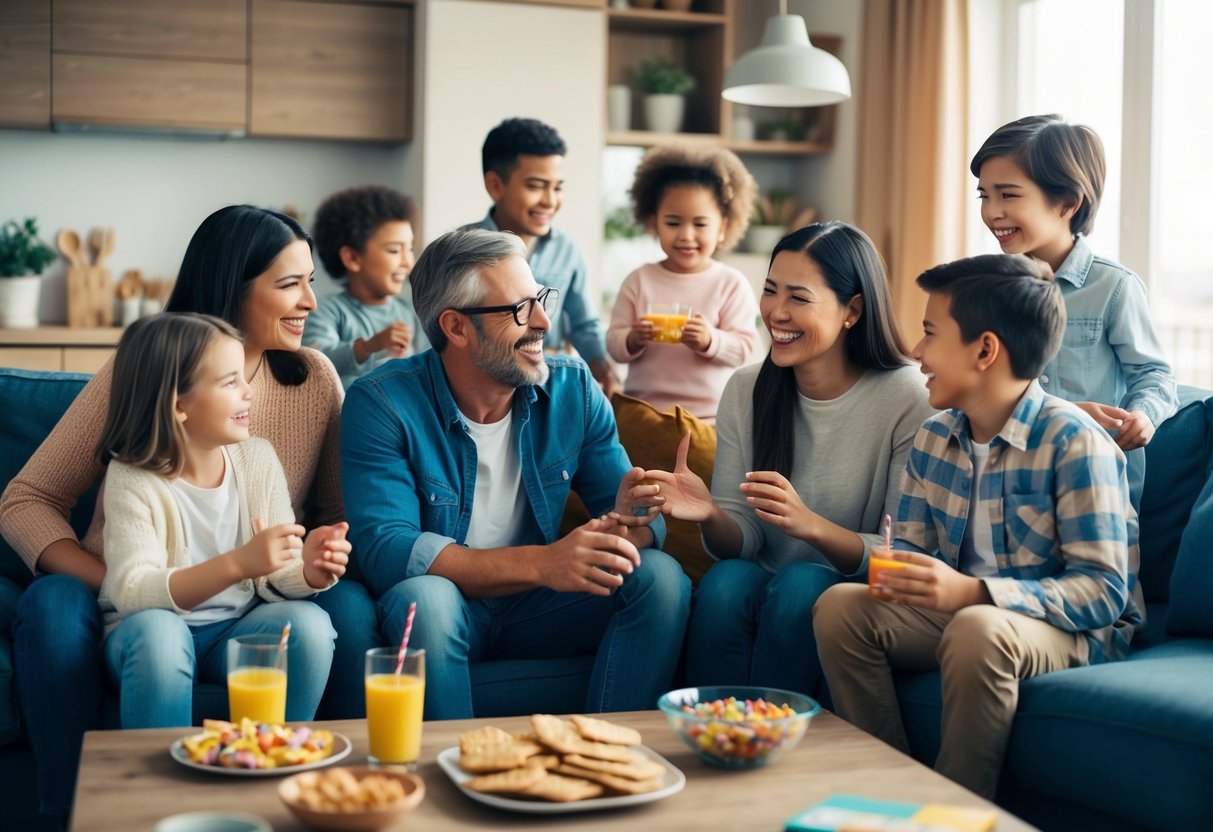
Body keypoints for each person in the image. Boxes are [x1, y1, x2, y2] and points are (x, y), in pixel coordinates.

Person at [0, 205, 344, 823]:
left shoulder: (312, 382)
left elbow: (323, 522)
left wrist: (316, 561)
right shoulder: (153, 374)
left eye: (311, 281)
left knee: (325, 620)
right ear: (232, 288)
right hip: (130, 590)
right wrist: (121, 586)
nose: (311, 303)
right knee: (58, 606)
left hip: (248, 603)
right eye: (290, 284)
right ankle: (74, 812)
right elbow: (25, 500)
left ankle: (266, 804)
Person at [813, 254, 1144, 799]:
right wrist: (899, 573)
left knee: (977, 627)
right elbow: (916, 557)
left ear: (985, 350)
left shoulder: (1076, 441)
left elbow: (1103, 592)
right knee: (840, 609)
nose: (916, 353)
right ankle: (888, 791)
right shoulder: (934, 436)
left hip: (1073, 631)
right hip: (969, 615)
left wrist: (974, 592)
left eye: (929, 334)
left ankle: (955, 812)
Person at [340, 228, 690, 720]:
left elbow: (636, 521)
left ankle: (616, 755)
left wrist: (632, 519)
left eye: (540, 298)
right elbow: (387, 548)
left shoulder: (573, 390)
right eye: (520, 309)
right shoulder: (381, 402)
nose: (544, 322)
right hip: (445, 610)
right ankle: (456, 773)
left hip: (538, 610)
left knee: (659, 578)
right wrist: (545, 563)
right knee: (429, 598)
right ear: (456, 328)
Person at [645, 223, 934, 696]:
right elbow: (741, 540)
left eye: (799, 298)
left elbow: (900, 550)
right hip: (758, 578)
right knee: (726, 581)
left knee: (802, 582)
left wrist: (810, 525)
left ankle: (776, 738)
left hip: (851, 588)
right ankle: (715, 732)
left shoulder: (909, 397)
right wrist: (713, 514)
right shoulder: (746, 387)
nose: (776, 313)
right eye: (770, 291)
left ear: (852, 311)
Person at [97, 313, 346, 728]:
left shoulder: (258, 459)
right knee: (163, 636)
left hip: (233, 633)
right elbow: (131, 590)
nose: (249, 392)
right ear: (180, 405)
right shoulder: (133, 477)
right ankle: (161, 791)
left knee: (311, 626)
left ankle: (273, 759)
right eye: (231, 382)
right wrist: (237, 564)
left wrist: (309, 569)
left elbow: (277, 571)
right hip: (148, 633)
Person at [971, 114, 1177, 505]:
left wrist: (1143, 415)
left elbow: (1155, 374)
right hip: (1007, 488)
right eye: (984, 195)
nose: (992, 211)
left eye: (1008, 195)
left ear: (1067, 201)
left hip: (1096, 491)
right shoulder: (984, 291)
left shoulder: (1114, 288)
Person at [462, 117, 621, 398]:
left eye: (557, 187)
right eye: (536, 186)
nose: (550, 200)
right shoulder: (461, 252)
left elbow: (584, 325)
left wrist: (603, 368)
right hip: (482, 390)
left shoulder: (568, 251)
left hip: (549, 389)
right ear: (496, 185)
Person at [606, 144, 760, 421]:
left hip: (709, 418)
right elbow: (614, 345)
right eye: (673, 223)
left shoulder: (730, 283)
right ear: (654, 223)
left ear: (723, 227)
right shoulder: (639, 280)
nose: (686, 235)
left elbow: (744, 349)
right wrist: (631, 338)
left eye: (700, 224)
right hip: (644, 414)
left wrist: (710, 340)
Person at [305, 185, 430, 389]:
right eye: (393, 250)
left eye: (409, 249)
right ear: (352, 258)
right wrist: (370, 346)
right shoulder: (326, 311)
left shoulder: (412, 313)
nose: (408, 262)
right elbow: (314, 360)